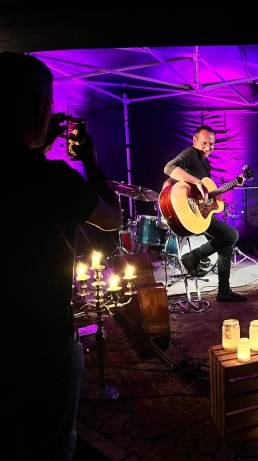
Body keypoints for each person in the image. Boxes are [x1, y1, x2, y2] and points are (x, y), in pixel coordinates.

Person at [0, 52, 123, 460]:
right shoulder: (53, 178)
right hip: (44, 341)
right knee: (50, 450)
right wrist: (90, 161)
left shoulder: (37, 171)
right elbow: (112, 218)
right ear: (40, 105)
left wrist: (37, 147)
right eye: (49, 104)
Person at [163, 125, 247, 302]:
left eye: (212, 144)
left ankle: (224, 292)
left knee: (226, 246)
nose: (208, 148)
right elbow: (169, 168)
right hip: (188, 213)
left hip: (199, 213)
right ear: (195, 140)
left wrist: (232, 184)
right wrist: (197, 182)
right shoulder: (190, 154)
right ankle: (192, 256)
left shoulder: (206, 164)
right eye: (204, 143)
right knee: (232, 234)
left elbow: (206, 195)